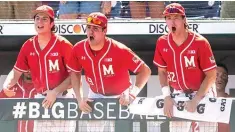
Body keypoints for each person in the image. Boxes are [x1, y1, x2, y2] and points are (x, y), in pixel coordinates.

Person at [67, 12, 151, 132]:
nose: (91, 32)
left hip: (121, 95)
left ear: (104, 30)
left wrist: (132, 94)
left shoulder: (119, 49)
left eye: (95, 28)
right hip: (95, 94)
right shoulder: (78, 49)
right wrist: (79, 98)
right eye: (88, 27)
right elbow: (75, 73)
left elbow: (145, 71)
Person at [3, 5, 76, 132]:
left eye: (44, 19)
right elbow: (16, 72)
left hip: (64, 97)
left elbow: (75, 76)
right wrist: (6, 86)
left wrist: (56, 91)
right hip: (42, 99)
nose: (39, 22)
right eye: (37, 18)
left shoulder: (63, 44)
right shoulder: (28, 45)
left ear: (52, 23)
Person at [153, 3, 217, 132]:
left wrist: (196, 99)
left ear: (184, 19)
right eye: (168, 18)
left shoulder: (200, 42)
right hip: (178, 93)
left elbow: (212, 75)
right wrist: (166, 96)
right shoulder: (162, 42)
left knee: (207, 129)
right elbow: (162, 72)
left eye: (176, 17)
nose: (172, 22)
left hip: (203, 93)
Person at [216, 62, 230, 132]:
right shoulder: (199, 102)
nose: (220, 78)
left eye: (223, 75)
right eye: (216, 75)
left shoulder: (232, 103)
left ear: (227, 79)